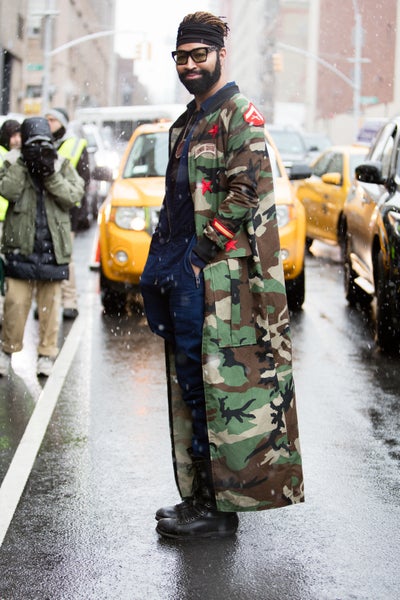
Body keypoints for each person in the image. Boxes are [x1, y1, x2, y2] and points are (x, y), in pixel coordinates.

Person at [140, 11, 304, 540]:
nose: (189, 65)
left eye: (198, 55)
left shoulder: (239, 115)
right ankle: (200, 497)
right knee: (192, 386)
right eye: (181, 57)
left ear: (219, 56)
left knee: (217, 390)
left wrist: (199, 255)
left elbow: (244, 195)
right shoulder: (187, 122)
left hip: (214, 278)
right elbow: (175, 199)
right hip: (180, 269)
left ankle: (219, 511)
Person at [0, 117, 84, 377]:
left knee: (49, 310)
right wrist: (25, 162)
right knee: (15, 305)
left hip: (52, 247)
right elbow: (7, 190)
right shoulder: (14, 162)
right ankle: (6, 350)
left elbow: (73, 196)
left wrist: (50, 173)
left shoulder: (60, 163)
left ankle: (46, 354)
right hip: (20, 245)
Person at [45, 107, 91, 319]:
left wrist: (78, 213)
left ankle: (69, 301)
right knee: (45, 256)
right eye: (46, 119)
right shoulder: (43, 143)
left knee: (65, 258)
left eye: (52, 119)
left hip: (66, 212)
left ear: (62, 122)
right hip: (45, 210)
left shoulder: (74, 144)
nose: (49, 123)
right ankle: (47, 302)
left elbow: (83, 181)